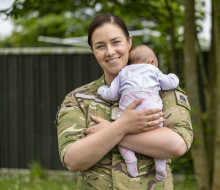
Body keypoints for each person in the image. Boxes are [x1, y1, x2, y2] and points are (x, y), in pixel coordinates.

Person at [56, 13, 193, 190]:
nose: (110, 51)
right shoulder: (79, 98)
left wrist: (110, 131)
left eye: (116, 42)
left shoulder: (163, 90)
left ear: (129, 42)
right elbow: (73, 160)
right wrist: (121, 127)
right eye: (100, 46)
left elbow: (177, 145)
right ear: (93, 50)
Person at [97, 44, 179, 180]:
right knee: (158, 139)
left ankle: (130, 161)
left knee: (119, 131)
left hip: (128, 120)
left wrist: (101, 90)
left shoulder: (123, 72)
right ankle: (160, 167)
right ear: (152, 62)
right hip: (153, 116)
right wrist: (173, 76)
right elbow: (170, 83)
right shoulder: (153, 70)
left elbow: (111, 94)